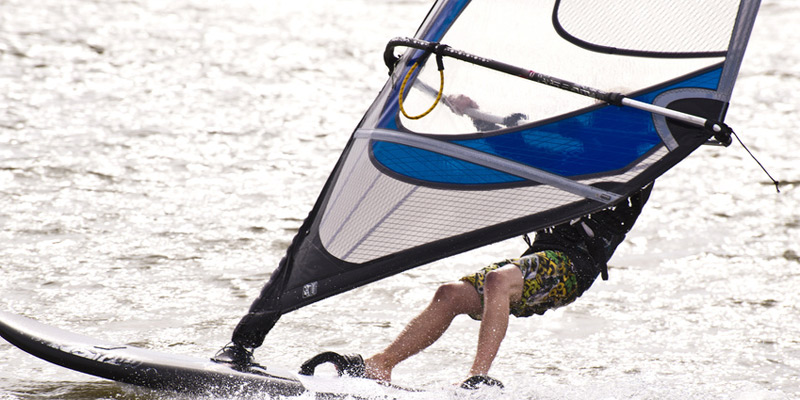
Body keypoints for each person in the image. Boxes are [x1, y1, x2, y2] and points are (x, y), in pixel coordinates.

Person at [298, 182, 654, 389]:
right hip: (540, 258)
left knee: (499, 280)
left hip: (574, 268)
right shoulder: (573, 156)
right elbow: (520, 135)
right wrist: (471, 113)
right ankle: (380, 365)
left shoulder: (635, 173)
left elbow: (652, 147)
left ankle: (478, 379)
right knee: (450, 294)